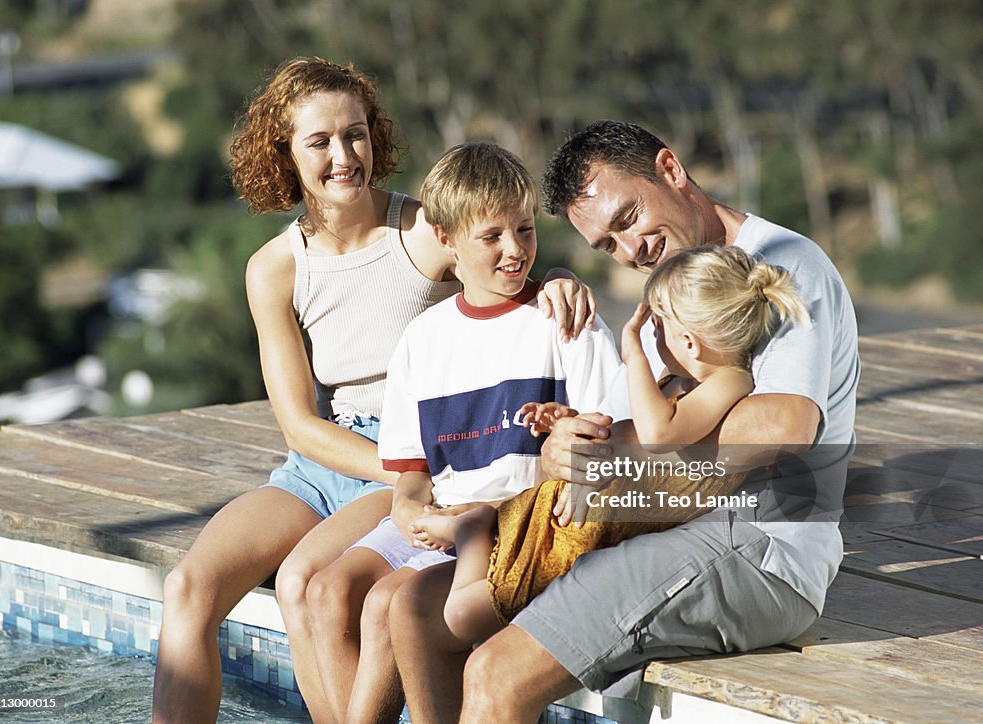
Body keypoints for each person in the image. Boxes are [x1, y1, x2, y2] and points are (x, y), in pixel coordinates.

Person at [150, 58, 595, 724]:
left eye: (354, 134)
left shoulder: (422, 232)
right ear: (285, 154)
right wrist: (397, 470)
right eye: (319, 141)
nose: (343, 156)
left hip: (413, 450)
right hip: (327, 459)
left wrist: (561, 274)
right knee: (187, 586)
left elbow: (507, 259)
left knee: (307, 585)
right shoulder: (273, 267)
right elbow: (299, 424)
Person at [389, 120, 860, 723]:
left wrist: (620, 452)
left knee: (496, 673)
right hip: (649, 527)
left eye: (628, 218)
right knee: (418, 607)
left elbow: (785, 424)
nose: (630, 249)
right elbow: (606, 429)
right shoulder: (669, 291)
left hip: (756, 546)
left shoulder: (782, 265)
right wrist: (566, 443)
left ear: (670, 169)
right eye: (608, 245)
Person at [303, 141, 622, 723]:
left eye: (525, 230)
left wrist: (469, 518)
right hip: (444, 522)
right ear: (446, 240)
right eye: (492, 237)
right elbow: (410, 479)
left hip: (515, 525)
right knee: (326, 592)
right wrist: (410, 516)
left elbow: (604, 460)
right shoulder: (424, 340)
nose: (514, 250)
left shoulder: (565, 321)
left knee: (385, 606)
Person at [414, 243, 809, 645]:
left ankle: (470, 530)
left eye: (659, 327)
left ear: (689, 342)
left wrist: (633, 353)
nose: (652, 337)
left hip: (595, 534)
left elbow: (657, 435)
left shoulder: (731, 381)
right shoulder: (678, 384)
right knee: (454, 609)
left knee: (462, 616)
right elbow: (627, 434)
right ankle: (475, 528)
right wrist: (572, 424)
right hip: (584, 519)